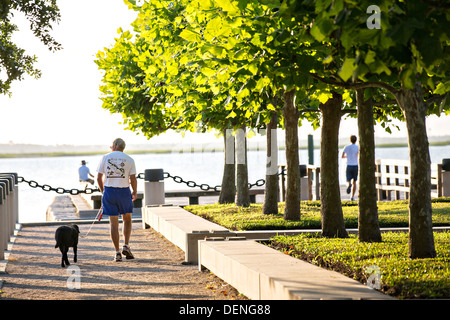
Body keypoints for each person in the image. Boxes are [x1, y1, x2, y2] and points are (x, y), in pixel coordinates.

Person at [97, 138, 137, 262]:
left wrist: (103, 191)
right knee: (127, 220)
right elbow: (133, 178)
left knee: (114, 223)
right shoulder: (129, 159)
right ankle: (126, 244)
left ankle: (117, 252)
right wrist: (134, 191)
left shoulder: (105, 157)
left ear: (114, 145)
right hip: (124, 191)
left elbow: (99, 177)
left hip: (109, 191)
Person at [342, 135, 359, 201]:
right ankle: (352, 197)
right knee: (354, 182)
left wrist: (347, 157)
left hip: (349, 165)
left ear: (350, 140)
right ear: (356, 140)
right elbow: (358, 155)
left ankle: (348, 185)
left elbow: (342, 156)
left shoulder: (346, 147)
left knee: (347, 180)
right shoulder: (357, 147)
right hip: (355, 165)